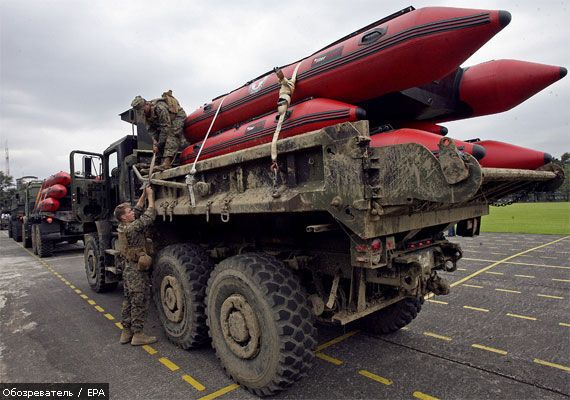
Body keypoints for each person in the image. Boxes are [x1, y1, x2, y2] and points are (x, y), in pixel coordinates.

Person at [114, 185, 157, 346]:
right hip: (136, 271)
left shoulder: (123, 226)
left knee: (128, 300)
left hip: (127, 270)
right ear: (125, 217)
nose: (133, 212)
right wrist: (151, 197)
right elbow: (149, 215)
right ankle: (138, 334)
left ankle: (126, 332)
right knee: (140, 300)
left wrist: (143, 195)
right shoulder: (133, 228)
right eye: (129, 212)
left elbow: (138, 210)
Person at [131, 91, 187, 172]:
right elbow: (151, 130)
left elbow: (166, 128)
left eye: (143, 110)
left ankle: (166, 164)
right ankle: (156, 164)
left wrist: (159, 144)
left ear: (147, 104)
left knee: (171, 134)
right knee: (158, 141)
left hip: (177, 117)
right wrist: (155, 142)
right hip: (164, 123)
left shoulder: (160, 108)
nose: (142, 112)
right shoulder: (144, 114)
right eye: (140, 111)